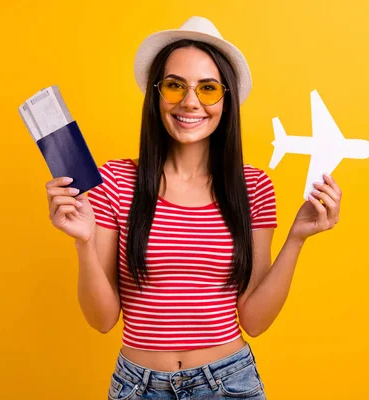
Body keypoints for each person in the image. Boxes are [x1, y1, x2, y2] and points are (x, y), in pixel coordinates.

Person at [45, 16, 342, 400]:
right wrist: (83, 243)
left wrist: (298, 239)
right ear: (156, 94)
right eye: (175, 86)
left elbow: (254, 320)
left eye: (207, 88)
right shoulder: (115, 181)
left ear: (226, 98)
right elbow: (101, 320)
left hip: (229, 384)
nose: (190, 102)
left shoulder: (252, 187)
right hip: (138, 386)